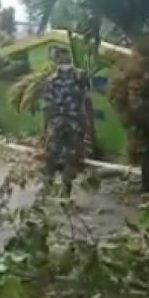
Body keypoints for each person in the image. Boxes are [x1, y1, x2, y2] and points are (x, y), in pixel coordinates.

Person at [40, 47, 89, 198]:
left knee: (53, 157)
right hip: (72, 123)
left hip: (60, 123)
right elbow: (87, 102)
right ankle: (62, 193)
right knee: (68, 158)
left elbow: (47, 107)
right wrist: (87, 125)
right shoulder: (80, 76)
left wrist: (45, 129)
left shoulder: (53, 80)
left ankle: (52, 190)